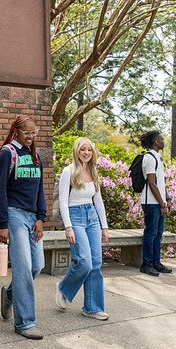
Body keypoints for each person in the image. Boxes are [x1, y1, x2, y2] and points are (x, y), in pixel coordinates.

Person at [0, 115, 47, 340]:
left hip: (32, 217)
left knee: (37, 266)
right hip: (15, 216)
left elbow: (40, 190)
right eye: (27, 132)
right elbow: (0, 191)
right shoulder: (7, 153)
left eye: (34, 133)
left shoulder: (36, 156)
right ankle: (25, 322)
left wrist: (41, 218)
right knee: (23, 267)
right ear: (16, 131)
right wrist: (3, 223)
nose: (31, 136)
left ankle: (9, 295)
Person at [55, 137, 110, 320]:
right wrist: (68, 227)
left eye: (89, 149)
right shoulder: (68, 171)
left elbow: (98, 201)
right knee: (84, 261)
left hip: (92, 216)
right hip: (75, 217)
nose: (86, 152)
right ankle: (63, 288)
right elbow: (63, 201)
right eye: (82, 149)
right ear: (76, 151)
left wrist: (104, 226)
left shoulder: (93, 171)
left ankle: (92, 307)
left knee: (95, 263)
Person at [139, 130, 170, 277]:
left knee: (158, 234)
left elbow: (160, 183)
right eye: (161, 139)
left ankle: (156, 263)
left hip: (158, 202)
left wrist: (166, 200)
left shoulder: (158, 157)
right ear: (156, 141)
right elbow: (152, 184)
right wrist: (162, 204)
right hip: (151, 203)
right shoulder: (149, 158)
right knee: (150, 234)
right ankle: (147, 264)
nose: (163, 141)